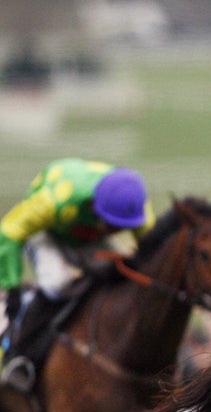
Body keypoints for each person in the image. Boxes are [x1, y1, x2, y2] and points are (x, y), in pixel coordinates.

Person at [0, 158, 154, 390]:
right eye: (112, 225)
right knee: (57, 284)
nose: (118, 231)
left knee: (126, 279)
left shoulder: (137, 210)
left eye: (121, 227)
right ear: (93, 205)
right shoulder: (52, 203)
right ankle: (23, 355)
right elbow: (9, 232)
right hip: (46, 232)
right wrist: (11, 287)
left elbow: (150, 251)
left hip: (89, 234)